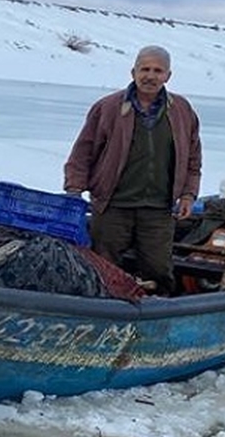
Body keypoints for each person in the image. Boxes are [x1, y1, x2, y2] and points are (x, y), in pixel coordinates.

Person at [63, 45, 202, 295]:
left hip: (159, 209)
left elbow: (193, 158)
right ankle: (101, 314)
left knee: (158, 270)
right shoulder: (108, 108)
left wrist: (189, 195)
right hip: (112, 206)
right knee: (103, 268)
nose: (150, 76)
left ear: (168, 76)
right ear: (133, 72)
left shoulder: (182, 110)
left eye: (157, 70)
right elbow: (82, 152)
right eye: (144, 69)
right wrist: (74, 189)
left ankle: (157, 314)